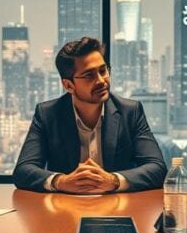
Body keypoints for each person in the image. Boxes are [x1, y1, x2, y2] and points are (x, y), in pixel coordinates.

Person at [13, 37, 167, 193]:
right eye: (89, 75)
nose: (101, 81)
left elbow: (157, 168)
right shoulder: (48, 115)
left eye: (102, 71)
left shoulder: (130, 112)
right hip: (66, 208)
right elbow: (23, 170)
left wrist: (114, 181)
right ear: (68, 85)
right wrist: (60, 181)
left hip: (118, 207)